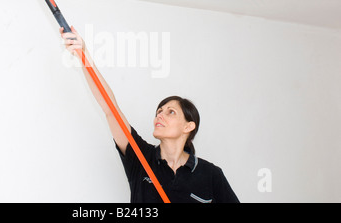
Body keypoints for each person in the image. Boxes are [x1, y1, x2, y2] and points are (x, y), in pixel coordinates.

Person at [60, 26, 239, 203]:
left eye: (171, 112)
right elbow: (110, 109)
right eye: (159, 111)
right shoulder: (140, 156)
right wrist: (84, 55)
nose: (159, 116)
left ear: (188, 126)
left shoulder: (210, 174)